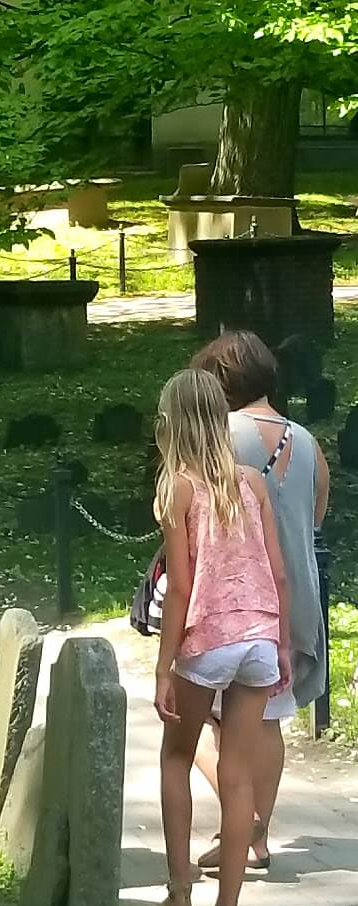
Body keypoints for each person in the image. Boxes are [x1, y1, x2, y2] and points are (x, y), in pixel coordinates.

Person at [144, 368, 290, 906]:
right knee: (237, 774)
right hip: (259, 637)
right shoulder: (251, 482)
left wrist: (163, 665)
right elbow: (277, 570)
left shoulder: (178, 489)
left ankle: (181, 891)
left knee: (176, 756)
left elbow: (180, 587)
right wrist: (279, 641)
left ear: (172, 423)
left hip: (208, 639)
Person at [191, 331, 329, 871]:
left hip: (232, 598)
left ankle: (240, 815)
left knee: (197, 715)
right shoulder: (308, 441)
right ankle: (258, 839)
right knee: (268, 717)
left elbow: (190, 514)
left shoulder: (218, 435)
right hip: (295, 596)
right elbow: (314, 518)